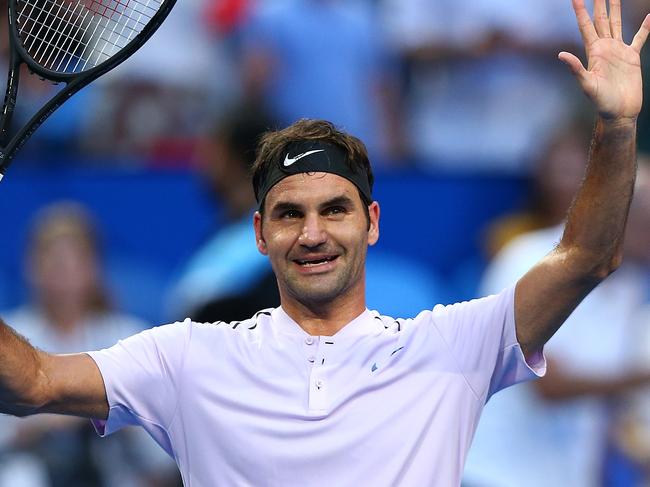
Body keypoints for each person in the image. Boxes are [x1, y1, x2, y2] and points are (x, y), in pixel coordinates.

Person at [0, 1, 648, 485]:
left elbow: (587, 258)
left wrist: (617, 126)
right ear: (259, 233)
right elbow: (31, 381)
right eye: (289, 214)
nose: (312, 234)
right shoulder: (189, 356)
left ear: (371, 221)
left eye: (333, 210)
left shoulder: (450, 346)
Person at [0, 202, 181, 487]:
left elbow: (165, 456)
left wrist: (110, 416)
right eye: (53, 260)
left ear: (94, 267)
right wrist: (34, 427)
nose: (63, 272)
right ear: (30, 265)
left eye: (74, 260)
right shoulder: (7, 340)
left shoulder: (128, 337)